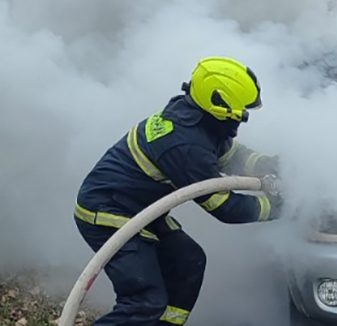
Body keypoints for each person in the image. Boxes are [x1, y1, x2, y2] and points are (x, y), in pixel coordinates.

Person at [74, 56, 281, 325]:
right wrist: (278, 208)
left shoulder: (196, 118)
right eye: (241, 111)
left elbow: (229, 155)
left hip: (140, 209)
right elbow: (226, 208)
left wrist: (268, 164)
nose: (243, 119)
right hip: (107, 212)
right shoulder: (185, 146)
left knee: (189, 262)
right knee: (145, 300)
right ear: (219, 105)